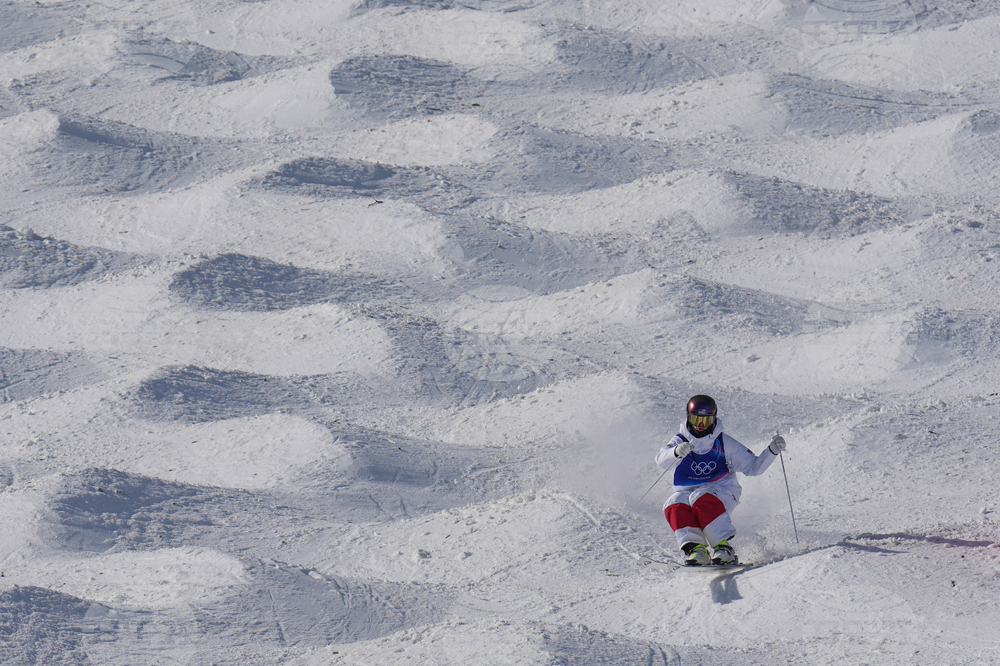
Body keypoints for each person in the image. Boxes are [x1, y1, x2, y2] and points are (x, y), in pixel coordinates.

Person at [654, 394, 786, 566]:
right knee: (674, 503)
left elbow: (753, 467)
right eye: (696, 419)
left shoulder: (723, 442)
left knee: (701, 497)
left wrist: (772, 451)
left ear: (714, 419)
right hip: (687, 492)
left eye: (706, 421)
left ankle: (723, 548)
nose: (700, 425)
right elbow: (660, 460)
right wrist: (676, 452)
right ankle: (696, 550)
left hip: (721, 492)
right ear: (688, 417)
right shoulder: (680, 440)